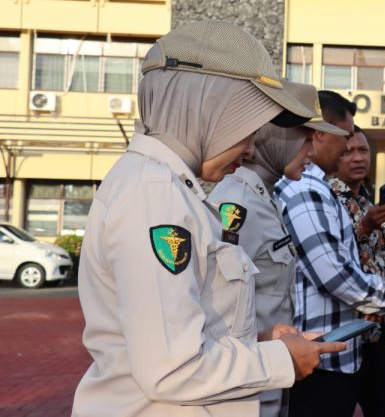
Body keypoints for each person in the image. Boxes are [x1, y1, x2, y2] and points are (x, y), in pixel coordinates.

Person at [72, 21, 345, 417]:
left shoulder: (169, 187)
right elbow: (173, 368)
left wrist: (262, 340)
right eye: (246, 127)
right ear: (208, 110)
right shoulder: (155, 194)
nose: (251, 147)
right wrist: (279, 361)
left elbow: (181, 329)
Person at [209, 82, 348, 417]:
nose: (311, 150)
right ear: (267, 134)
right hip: (240, 390)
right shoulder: (236, 204)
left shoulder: (263, 198)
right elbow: (215, 311)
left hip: (268, 382)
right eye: (304, 136)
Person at [276, 91, 385, 417]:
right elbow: (333, 272)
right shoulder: (306, 188)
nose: (347, 149)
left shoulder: (315, 185)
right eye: (344, 137)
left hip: (325, 354)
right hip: (320, 359)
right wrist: (379, 297)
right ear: (320, 133)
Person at [329, 126, 385, 417]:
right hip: (344, 333)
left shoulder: (367, 202)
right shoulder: (325, 198)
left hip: (380, 332)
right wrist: (364, 227)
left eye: (363, 150)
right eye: (348, 151)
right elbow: (329, 258)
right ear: (335, 155)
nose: (357, 158)